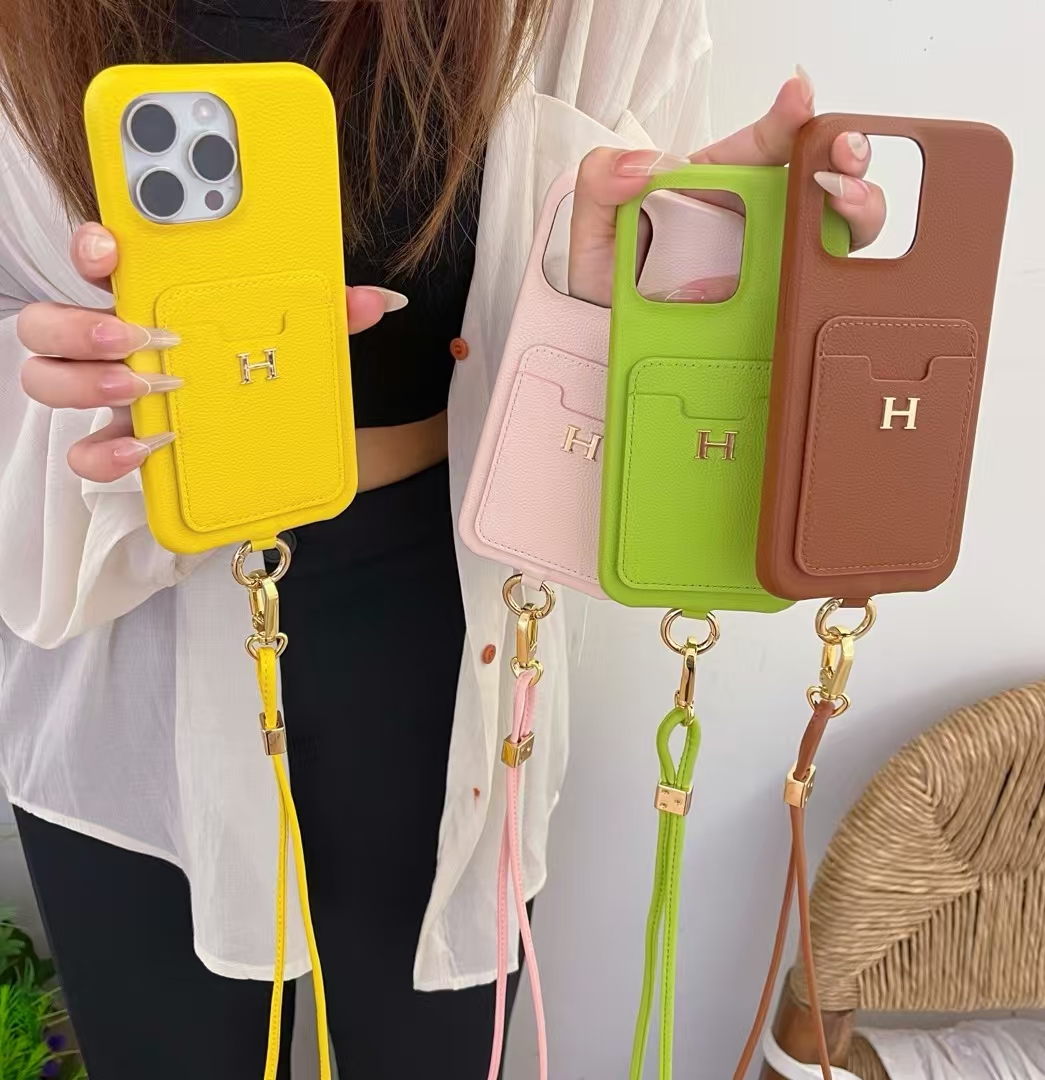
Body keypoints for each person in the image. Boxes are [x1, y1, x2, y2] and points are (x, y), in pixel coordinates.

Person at [0, 1, 885, 1076]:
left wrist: (671, 285)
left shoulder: (586, 16)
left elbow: (603, 325)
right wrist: (55, 383)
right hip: (119, 646)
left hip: (446, 625)